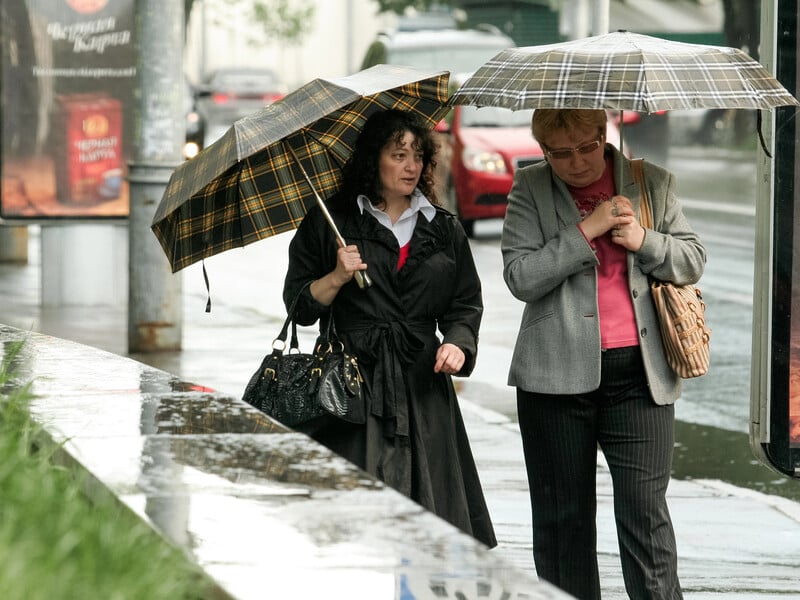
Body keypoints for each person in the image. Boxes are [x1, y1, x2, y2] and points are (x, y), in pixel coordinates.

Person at [502, 108, 705, 599]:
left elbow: (692, 259)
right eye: (560, 154)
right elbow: (520, 277)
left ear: (604, 134)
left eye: (586, 147)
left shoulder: (650, 181)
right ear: (544, 150)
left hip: (640, 375)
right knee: (562, 523)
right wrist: (584, 232)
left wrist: (644, 240)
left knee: (645, 515)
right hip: (554, 379)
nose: (575, 163)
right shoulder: (530, 188)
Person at [283, 108, 497, 548]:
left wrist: (457, 344)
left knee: (432, 522)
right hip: (351, 386)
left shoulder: (443, 227)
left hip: (423, 385)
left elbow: (464, 304)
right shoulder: (331, 223)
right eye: (399, 155)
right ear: (371, 160)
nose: (411, 166)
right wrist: (336, 277)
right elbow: (299, 307)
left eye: (418, 156)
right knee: (357, 521)